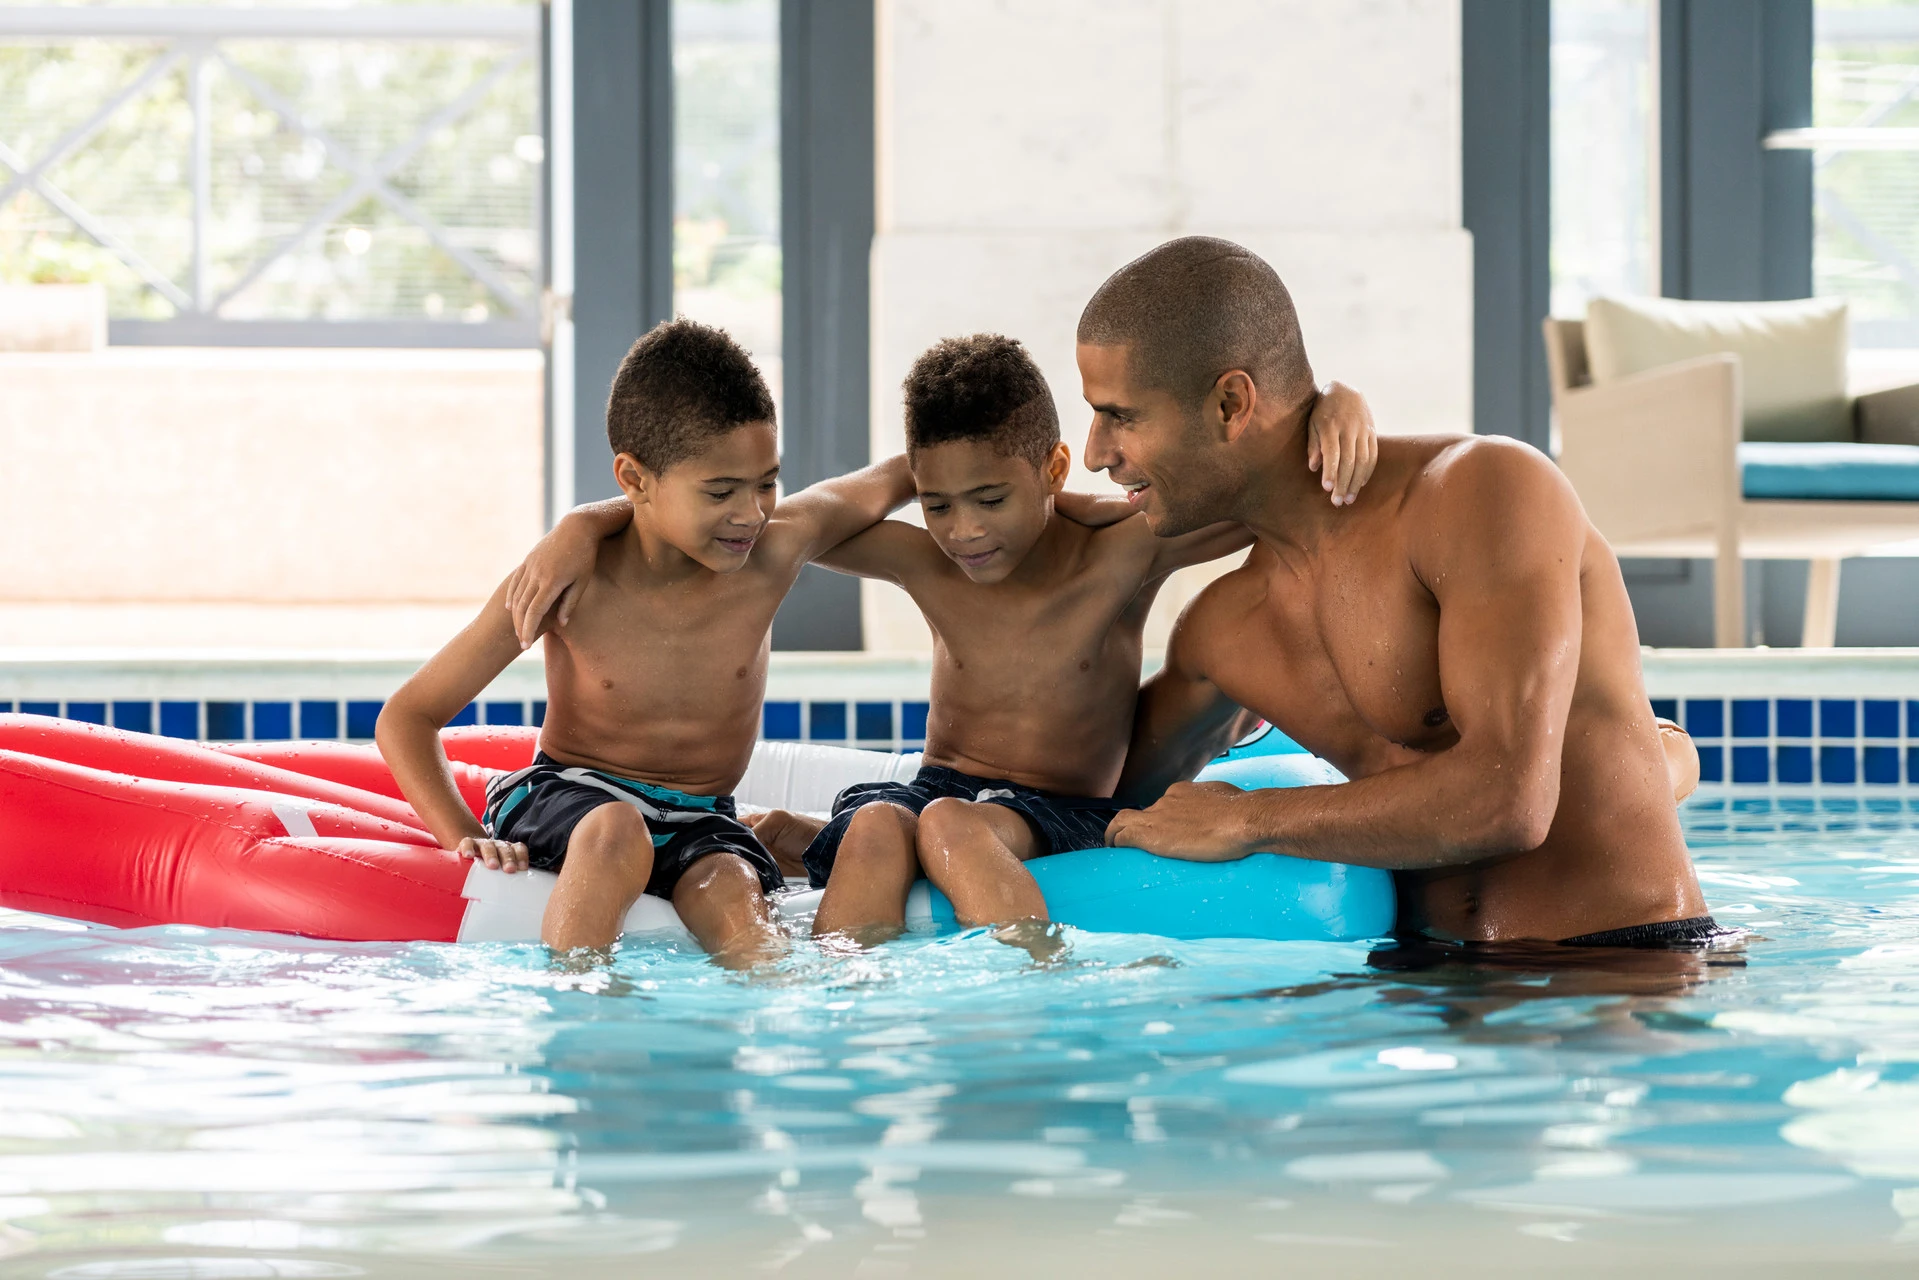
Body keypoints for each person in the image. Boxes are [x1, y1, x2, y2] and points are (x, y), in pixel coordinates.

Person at [1082, 236, 1719, 948]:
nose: (1095, 452)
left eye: (1121, 416)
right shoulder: (1223, 632)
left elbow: (1507, 802)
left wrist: (1246, 820)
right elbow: (1088, 803)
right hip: (1424, 991)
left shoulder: (1482, 491)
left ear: (1231, 402)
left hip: (1619, 977)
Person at [741, 334, 1377, 944]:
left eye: (989, 498)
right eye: (938, 505)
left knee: (948, 825)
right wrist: (907, 473)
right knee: (879, 823)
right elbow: (793, 526)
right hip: (936, 788)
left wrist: (1336, 400)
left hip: (1059, 809)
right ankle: (845, 1004)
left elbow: (1275, 492)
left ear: (1054, 468)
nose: (964, 531)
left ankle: (1038, 986)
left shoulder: (1119, 552)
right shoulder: (929, 563)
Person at [377, 319, 913, 963]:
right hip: (573, 797)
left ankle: (768, 1018)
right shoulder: (570, 580)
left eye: (767, 481)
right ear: (634, 479)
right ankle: (579, 1008)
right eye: (720, 491)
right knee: (616, 830)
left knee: (735, 893)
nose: (752, 512)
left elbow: (898, 476)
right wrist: (464, 839)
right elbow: (408, 716)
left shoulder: (771, 555)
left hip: (702, 817)